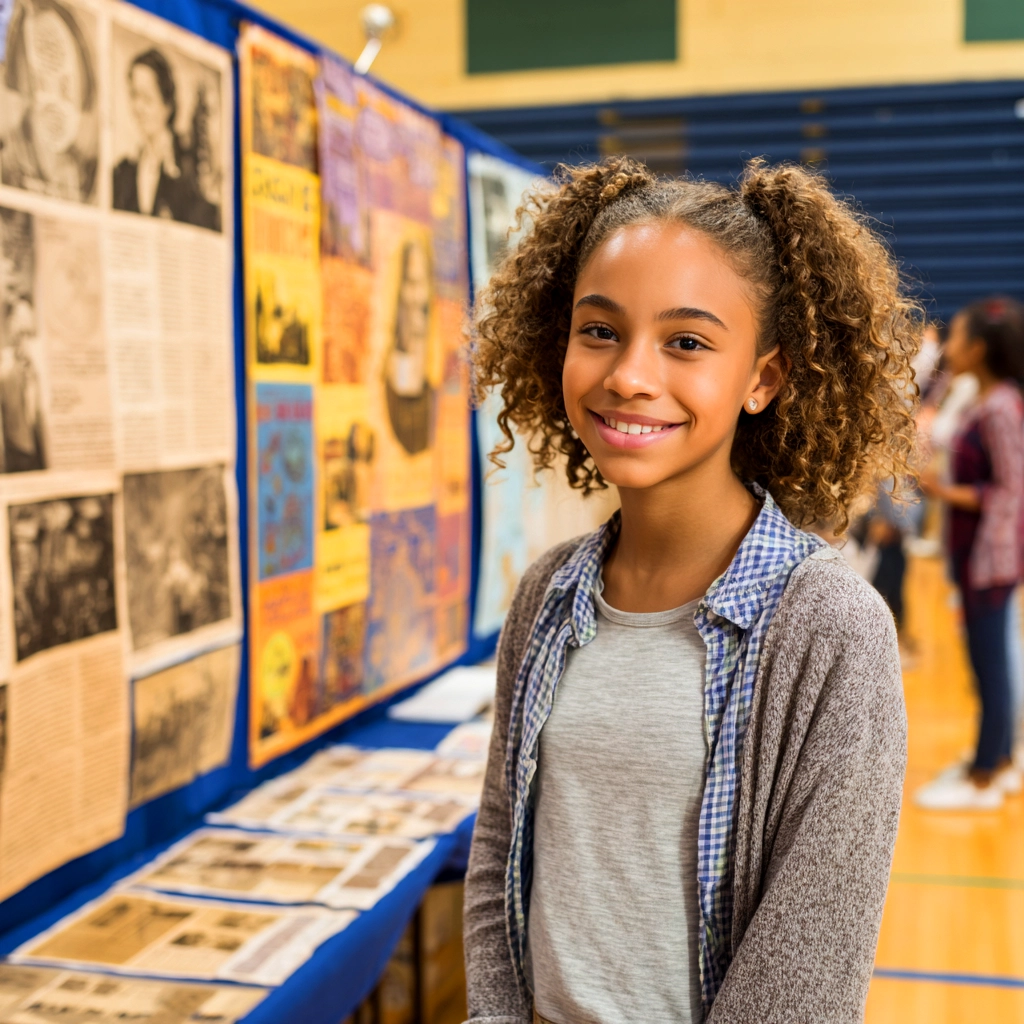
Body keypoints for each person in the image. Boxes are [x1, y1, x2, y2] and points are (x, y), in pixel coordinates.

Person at [464, 157, 918, 1024]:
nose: (630, 374)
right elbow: (497, 858)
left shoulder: (827, 628)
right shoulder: (545, 599)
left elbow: (808, 969)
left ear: (764, 378)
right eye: (599, 330)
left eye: (687, 342)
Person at [916, 297, 1024, 811]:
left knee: (991, 665)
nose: (948, 346)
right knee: (984, 665)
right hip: (971, 554)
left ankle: (984, 775)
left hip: (991, 560)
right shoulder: (982, 400)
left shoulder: (1002, 407)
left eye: (956, 337)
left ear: (978, 349)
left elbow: (1010, 490)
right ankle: (995, 758)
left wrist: (941, 491)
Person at [1, 0, 98, 203]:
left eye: (65, 87)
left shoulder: (86, 176)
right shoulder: (12, 161)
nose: (51, 96)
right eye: (38, 82)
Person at [112, 48, 220, 231]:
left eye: (147, 98)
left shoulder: (193, 165)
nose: (138, 108)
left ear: (167, 104)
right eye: (134, 95)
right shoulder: (123, 172)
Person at [385, 239, 433, 455]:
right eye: (410, 283)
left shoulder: (433, 366)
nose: (416, 298)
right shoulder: (393, 376)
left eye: (421, 284)